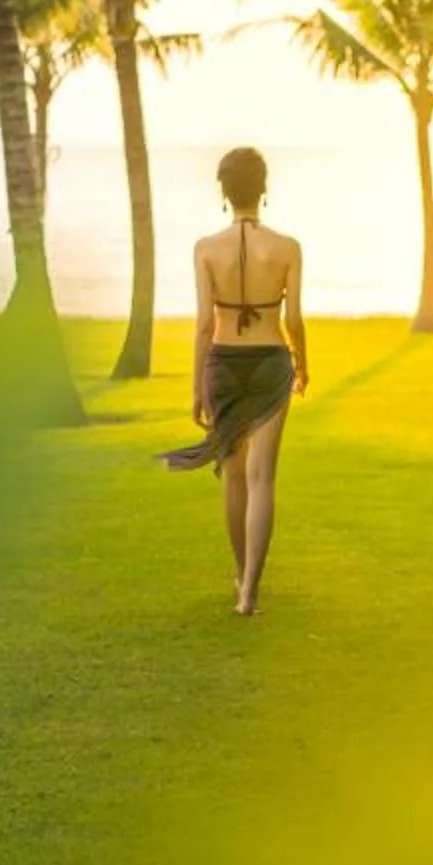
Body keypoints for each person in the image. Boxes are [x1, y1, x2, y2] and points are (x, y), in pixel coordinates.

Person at [162, 146, 307, 615]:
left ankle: (240, 574)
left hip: (223, 363)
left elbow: (205, 323)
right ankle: (250, 592)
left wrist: (195, 386)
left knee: (235, 476)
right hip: (270, 361)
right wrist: (302, 363)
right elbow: (297, 318)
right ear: (263, 189)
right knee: (263, 477)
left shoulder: (205, 249)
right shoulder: (287, 248)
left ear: (223, 191)